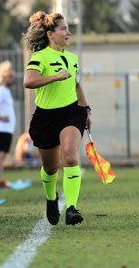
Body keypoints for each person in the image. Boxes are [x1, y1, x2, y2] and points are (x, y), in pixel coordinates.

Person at [22, 11, 92, 226]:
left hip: (71, 113)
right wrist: (56, 76)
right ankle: (51, 199)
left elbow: (77, 85)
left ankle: (71, 208)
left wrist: (86, 109)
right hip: (46, 118)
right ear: (51, 34)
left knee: (70, 157)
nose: (68, 33)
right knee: (51, 169)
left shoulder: (73, 59)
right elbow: (28, 81)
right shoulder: (40, 57)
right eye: (64, 29)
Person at [0, 61, 17, 188]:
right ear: (5, 78)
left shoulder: (6, 91)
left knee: (2, 156)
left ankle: (0, 180)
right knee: (1, 156)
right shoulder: (1, 90)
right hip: (2, 129)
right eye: (10, 77)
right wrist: (0, 117)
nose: (13, 79)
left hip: (6, 129)